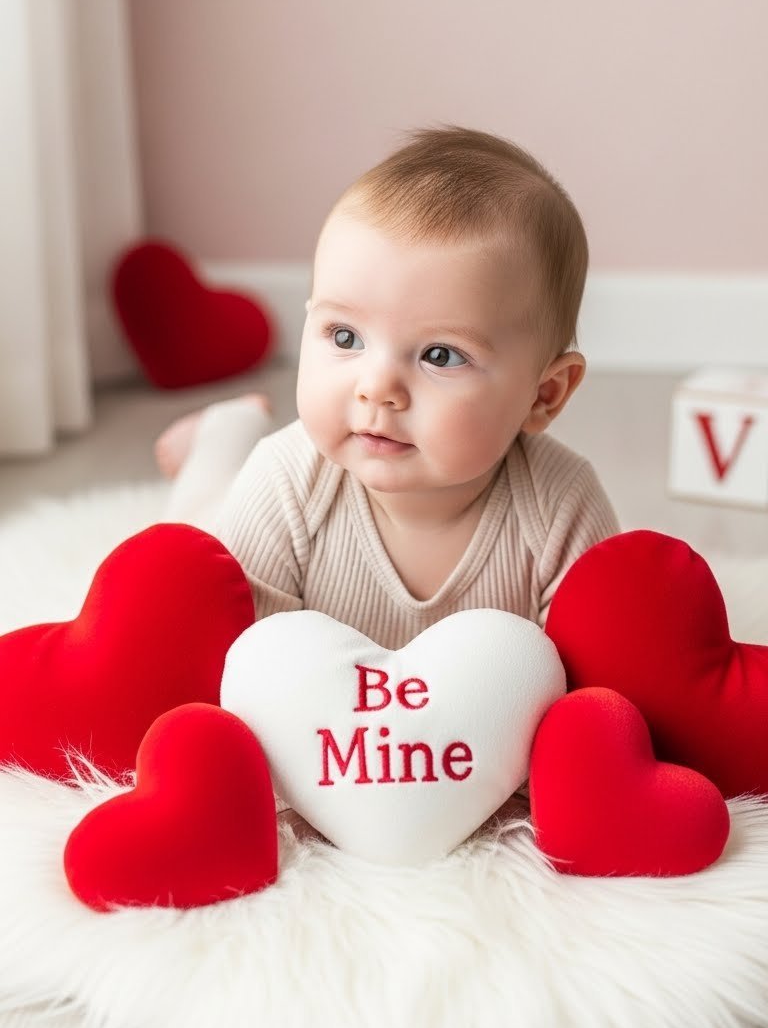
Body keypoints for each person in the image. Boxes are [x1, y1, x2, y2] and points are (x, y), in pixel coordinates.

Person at [157, 125, 620, 647]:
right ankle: (223, 433)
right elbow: (243, 663)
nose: (377, 389)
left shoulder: (561, 507)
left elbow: (597, 671)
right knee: (190, 531)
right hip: (247, 545)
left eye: (439, 355)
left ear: (545, 394)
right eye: (346, 335)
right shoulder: (285, 484)